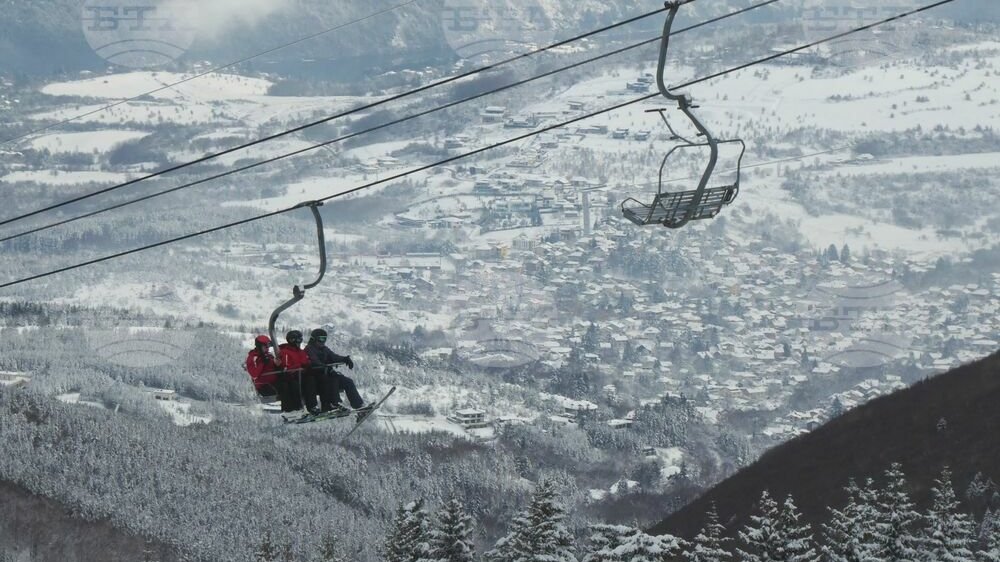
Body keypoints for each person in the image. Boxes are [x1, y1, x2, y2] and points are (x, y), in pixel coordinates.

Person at [306, 328, 372, 417]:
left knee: (348, 381)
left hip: (327, 374)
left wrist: (345, 359)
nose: (323, 341)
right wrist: (325, 367)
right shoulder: (309, 349)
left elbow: (334, 357)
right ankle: (333, 404)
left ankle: (359, 406)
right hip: (317, 378)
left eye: (325, 339)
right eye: (321, 339)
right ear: (314, 339)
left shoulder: (324, 349)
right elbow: (315, 361)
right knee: (333, 379)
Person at [245, 334, 304, 415]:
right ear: (259, 346)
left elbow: (274, 368)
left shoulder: (269, 355)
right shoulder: (253, 357)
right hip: (264, 386)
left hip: (275, 381)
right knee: (284, 387)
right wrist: (262, 362)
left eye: (268, 346)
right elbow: (254, 374)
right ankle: (288, 412)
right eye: (265, 346)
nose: (267, 348)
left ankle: (298, 409)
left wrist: (278, 365)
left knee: (293, 383)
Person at [277, 330, 320, 416]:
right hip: (292, 376)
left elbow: (306, 361)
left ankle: (312, 406)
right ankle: (296, 409)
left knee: (311, 379)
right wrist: (300, 366)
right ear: (290, 340)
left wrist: (309, 365)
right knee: (295, 385)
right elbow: (286, 367)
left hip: (302, 375)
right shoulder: (285, 352)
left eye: (300, 339)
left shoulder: (301, 352)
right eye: (296, 340)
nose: (298, 342)